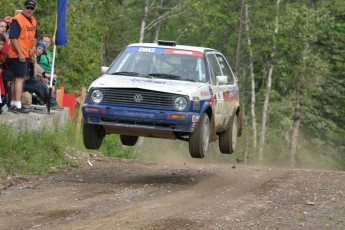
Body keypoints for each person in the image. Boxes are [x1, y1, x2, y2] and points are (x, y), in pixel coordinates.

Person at [7, 0, 38, 113]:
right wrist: (20, 53)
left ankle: (14, 103)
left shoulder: (33, 20)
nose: (29, 10)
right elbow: (13, 37)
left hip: (27, 54)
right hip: (18, 55)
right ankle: (18, 104)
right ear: (23, 8)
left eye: (31, 8)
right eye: (27, 8)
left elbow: (35, 36)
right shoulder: (18, 19)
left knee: (17, 79)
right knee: (19, 79)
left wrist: (34, 48)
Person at [23, 42, 64, 111]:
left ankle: (50, 103)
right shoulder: (28, 55)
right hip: (22, 80)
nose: (40, 51)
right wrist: (44, 74)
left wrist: (35, 63)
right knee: (39, 84)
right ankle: (52, 103)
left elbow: (35, 74)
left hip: (28, 79)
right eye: (39, 48)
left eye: (42, 50)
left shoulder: (36, 58)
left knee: (41, 84)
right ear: (35, 48)